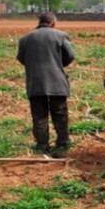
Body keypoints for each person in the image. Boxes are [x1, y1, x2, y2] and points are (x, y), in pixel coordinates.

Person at [17, 12, 75, 154]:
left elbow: (21, 58)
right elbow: (70, 55)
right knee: (60, 112)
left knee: (39, 115)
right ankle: (63, 142)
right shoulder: (60, 36)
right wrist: (57, 65)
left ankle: (42, 145)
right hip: (57, 81)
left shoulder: (25, 39)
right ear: (53, 23)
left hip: (35, 82)